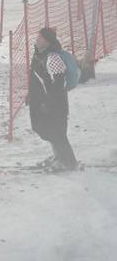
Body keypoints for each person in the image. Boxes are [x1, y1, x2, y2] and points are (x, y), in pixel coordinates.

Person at [28, 28, 78, 171]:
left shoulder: (53, 58)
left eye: (40, 37)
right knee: (46, 130)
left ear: (48, 41)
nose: (37, 39)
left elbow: (58, 84)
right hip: (43, 102)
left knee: (57, 133)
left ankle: (68, 163)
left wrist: (49, 103)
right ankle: (60, 157)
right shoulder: (39, 54)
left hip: (54, 103)